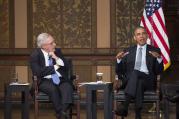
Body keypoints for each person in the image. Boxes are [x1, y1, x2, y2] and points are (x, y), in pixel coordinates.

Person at [114, 26, 164, 119]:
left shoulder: (155, 50)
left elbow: (159, 71)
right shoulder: (128, 51)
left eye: (143, 33)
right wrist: (119, 60)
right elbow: (119, 71)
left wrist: (159, 58)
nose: (141, 36)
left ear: (147, 36)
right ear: (135, 38)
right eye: (138, 34)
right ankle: (138, 115)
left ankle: (125, 105)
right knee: (138, 82)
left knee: (136, 73)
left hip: (148, 81)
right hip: (131, 82)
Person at [30, 33, 73, 119]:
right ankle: (62, 114)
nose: (54, 44)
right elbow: (38, 72)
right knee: (53, 89)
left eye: (54, 42)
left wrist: (56, 57)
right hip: (44, 80)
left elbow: (66, 66)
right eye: (52, 43)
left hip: (60, 79)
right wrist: (56, 67)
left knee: (67, 87)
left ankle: (61, 114)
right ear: (44, 46)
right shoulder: (35, 55)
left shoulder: (57, 51)